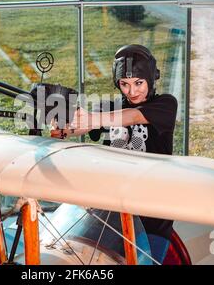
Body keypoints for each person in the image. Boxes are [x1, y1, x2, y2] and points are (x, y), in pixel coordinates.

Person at [51, 44, 178, 264]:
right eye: (124, 84)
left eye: (139, 83)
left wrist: (92, 119)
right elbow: (83, 126)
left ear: (152, 79)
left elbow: (134, 116)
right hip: (111, 214)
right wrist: (65, 125)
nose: (132, 91)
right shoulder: (110, 108)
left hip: (153, 219)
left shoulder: (166, 105)